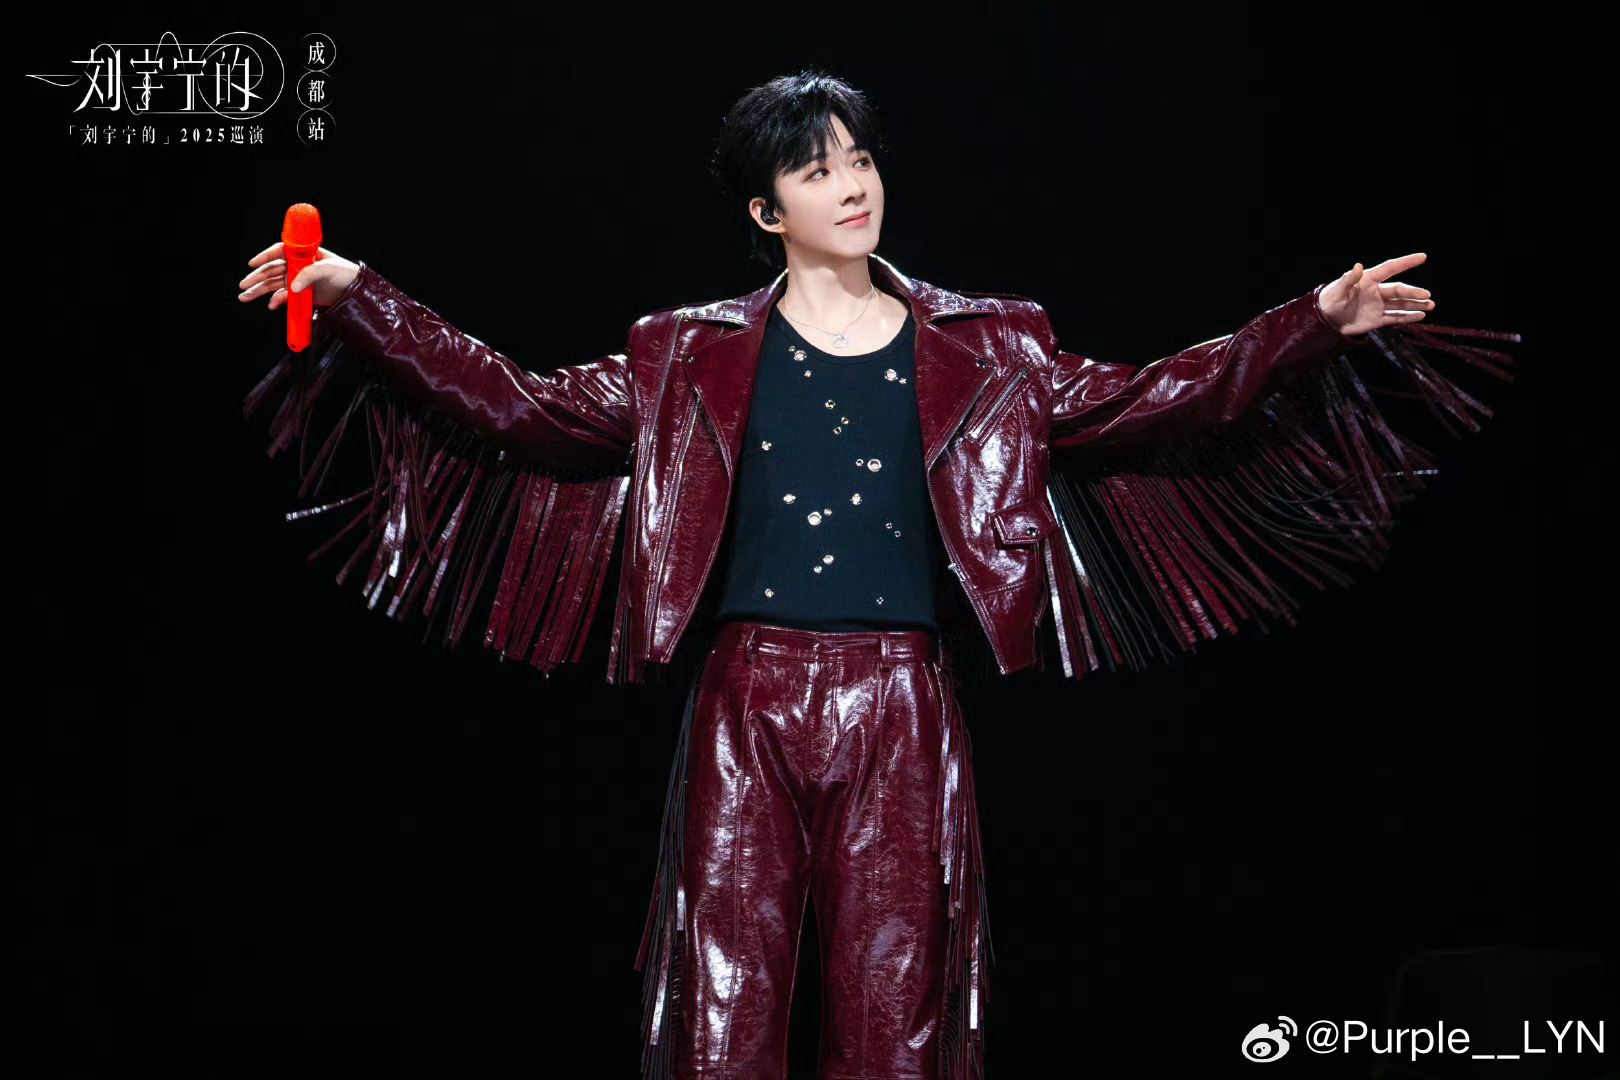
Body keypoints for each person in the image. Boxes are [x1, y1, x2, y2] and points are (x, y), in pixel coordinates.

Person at [235, 70, 1515, 1080]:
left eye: (860, 160)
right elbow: (517, 407)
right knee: (720, 1014)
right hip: (745, 701)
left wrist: (1311, 322)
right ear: (765, 211)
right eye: (815, 169)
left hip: (902, 700)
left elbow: (1158, 401)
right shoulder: (684, 353)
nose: (851, 186)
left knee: (898, 1019)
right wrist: (358, 296)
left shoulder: (994, 346)